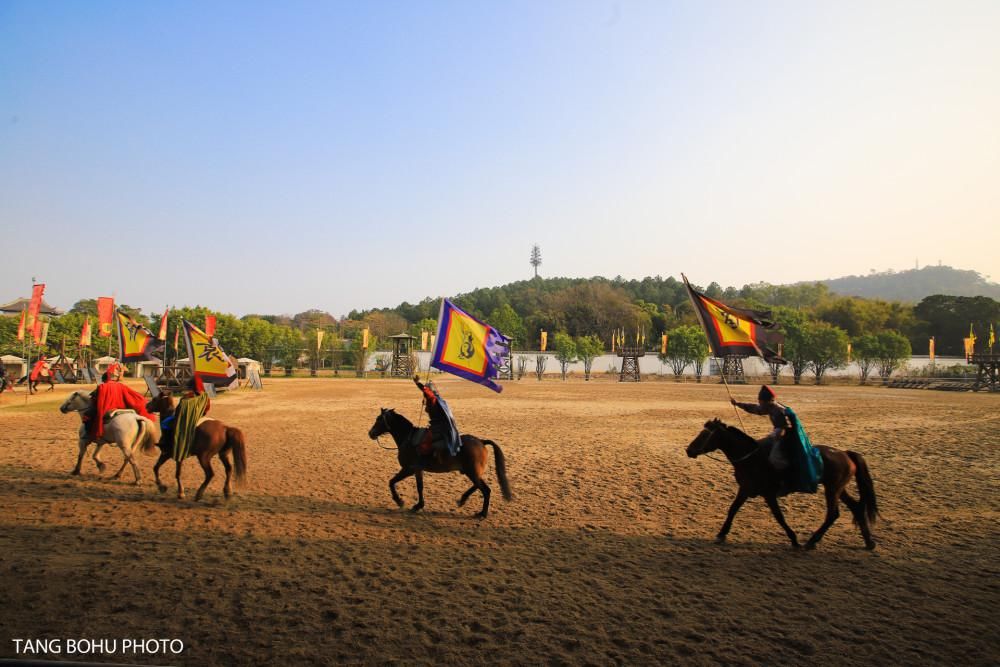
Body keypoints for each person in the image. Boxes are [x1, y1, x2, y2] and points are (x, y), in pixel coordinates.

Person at [82, 363, 154, 440]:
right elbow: (132, 396)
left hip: (107, 408)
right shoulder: (121, 386)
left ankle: (88, 434)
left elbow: (94, 399)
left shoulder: (102, 387)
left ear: (105, 379)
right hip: (120, 408)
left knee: (87, 415)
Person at [731, 385, 792, 472]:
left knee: (775, 459)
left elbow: (787, 427)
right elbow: (753, 408)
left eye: (761, 401)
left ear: (768, 401)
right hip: (775, 436)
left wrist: (780, 432)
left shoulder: (780, 410)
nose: (759, 403)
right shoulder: (769, 407)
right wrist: (737, 404)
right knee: (756, 447)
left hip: (785, 439)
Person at [413, 376, 461, 462]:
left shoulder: (432, 399)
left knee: (425, 442)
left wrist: (418, 383)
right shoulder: (437, 398)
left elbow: (427, 393)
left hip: (439, 426)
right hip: (439, 424)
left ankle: (426, 461)